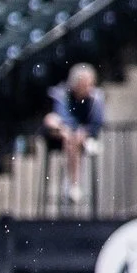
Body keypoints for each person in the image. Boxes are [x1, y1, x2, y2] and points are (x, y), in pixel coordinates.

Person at [44, 63, 105, 206]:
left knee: (74, 138)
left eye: (90, 84)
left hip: (84, 136)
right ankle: (72, 184)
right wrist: (69, 129)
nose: (88, 88)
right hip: (61, 134)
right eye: (85, 84)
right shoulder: (63, 95)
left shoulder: (95, 98)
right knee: (51, 120)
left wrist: (83, 132)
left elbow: (97, 122)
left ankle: (73, 183)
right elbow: (62, 115)